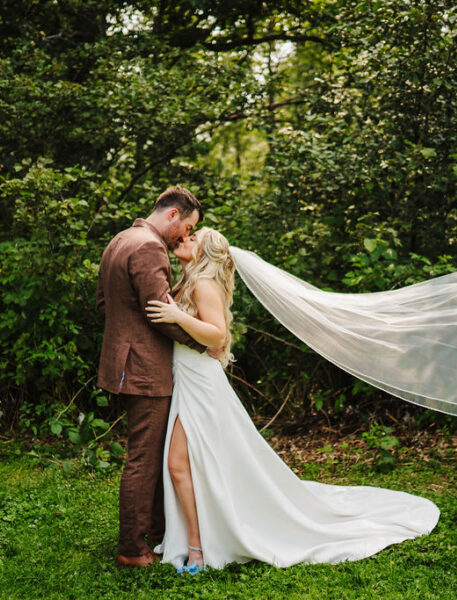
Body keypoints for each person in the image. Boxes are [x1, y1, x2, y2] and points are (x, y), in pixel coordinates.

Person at [146, 228, 440, 572]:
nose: (185, 239)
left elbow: (218, 334)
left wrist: (178, 316)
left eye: (194, 238)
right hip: (189, 381)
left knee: (182, 465)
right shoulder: (188, 280)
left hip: (201, 384)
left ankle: (197, 548)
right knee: (192, 465)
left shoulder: (203, 284)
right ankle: (196, 540)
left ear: (206, 253)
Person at [96, 186, 209, 568]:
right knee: (144, 457)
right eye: (188, 226)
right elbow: (161, 314)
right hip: (145, 367)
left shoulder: (121, 239)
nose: (185, 236)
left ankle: (161, 532)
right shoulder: (149, 247)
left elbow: (105, 303)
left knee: (153, 451)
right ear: (174, 215)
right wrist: (204, 345)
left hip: (127, 362)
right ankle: (131, 547)